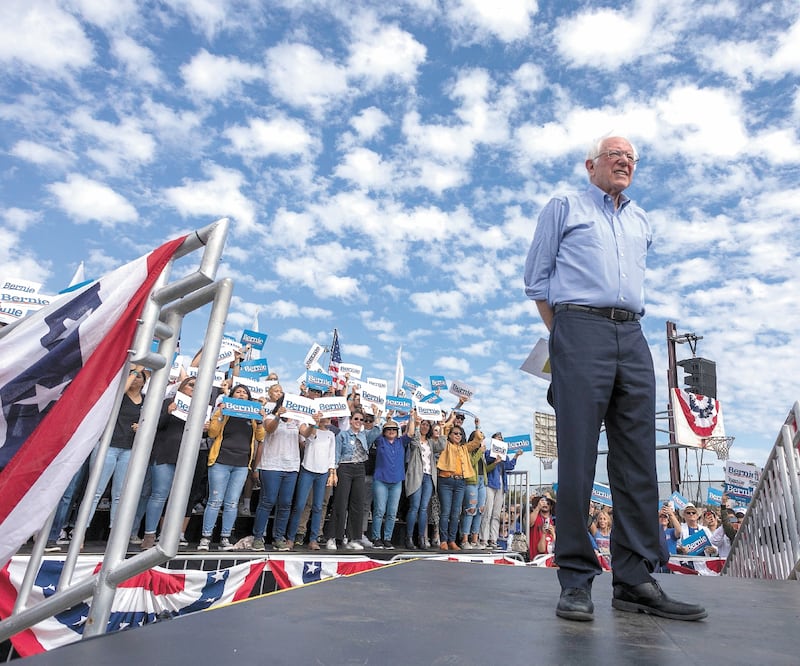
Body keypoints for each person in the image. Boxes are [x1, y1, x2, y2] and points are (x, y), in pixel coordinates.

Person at [524, 134, 706, 622]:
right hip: (579, 327)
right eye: (614, 155)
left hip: (633, 334)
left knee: (638, 462)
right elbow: (536, 281)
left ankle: (634, 580)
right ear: (591, 165)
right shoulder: (564, 206)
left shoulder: (642, 220)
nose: (624, 161)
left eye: (631, 157)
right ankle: (576, 580)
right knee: (579, 458)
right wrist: (563, 336)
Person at [199, 384, 266, 551]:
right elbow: (213, 433)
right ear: (232, 395)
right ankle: (206, 538)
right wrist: (220, 414)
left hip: (241, 465)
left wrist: (259, 421)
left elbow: (261, 436)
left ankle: (225, 538)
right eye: (238, 391)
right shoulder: (223, 411)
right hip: (220, 462)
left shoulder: (252, 416)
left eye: (245, 392)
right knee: (215, 501)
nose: (241, 394)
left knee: (232, 503)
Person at [285, 411, 337, 552]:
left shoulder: (331, 435)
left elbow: (331, 455)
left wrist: (332, 472)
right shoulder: (310, 428)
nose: (324, 419)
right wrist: (314, 423)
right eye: (323, 417)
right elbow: (309, 437)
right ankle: (290, 537)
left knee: (318, 506)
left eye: (327, 417)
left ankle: (313, 539)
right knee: (300, 505)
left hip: (322, 472)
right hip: (307, 470)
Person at [330, 408, 381, 550]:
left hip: (359, 469)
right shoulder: (343, 435)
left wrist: (377, 416)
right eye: (356, 419)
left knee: (357, 504)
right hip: (345, 467)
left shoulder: (365, 435)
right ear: (351, 420)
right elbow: (336, 453)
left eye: (361, 420)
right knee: (341, 502)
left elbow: (377, 431)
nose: (359, 422)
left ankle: (353, 538)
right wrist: (333, 471)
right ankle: (334, 537)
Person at [370, 418, 414, 549]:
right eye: (388, 429)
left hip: (396, 481)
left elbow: (411, 433)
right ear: (384, 431)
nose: (391, 431)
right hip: (381, 480)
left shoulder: (401, 442)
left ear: (397, 431)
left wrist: (412, 417)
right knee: (379, 510)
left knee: (392, 512)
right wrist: (378, 419)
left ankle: (387, 538)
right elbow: (373, 433)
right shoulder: (380, 440)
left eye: (394, 429)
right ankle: (376, 538)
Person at [405, 415, 446, 549]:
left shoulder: (430, 442)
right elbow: (414, 441)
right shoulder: (415, 440)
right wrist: (416, 424)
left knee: (423, 509)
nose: (425, 427)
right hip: (417, 475)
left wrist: (442, 428)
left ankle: (421, 538)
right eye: (423, 424)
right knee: (414, 507)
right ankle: (409, 538)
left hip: (429, 476)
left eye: (427, 425)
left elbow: (442, 445)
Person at [436, 423, 474, 550]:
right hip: (446, 480)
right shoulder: (446, 445)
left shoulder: (464, 448)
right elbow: (444, 431)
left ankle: (452, 541)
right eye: (455, 433)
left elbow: (477, 440)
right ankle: (443, 541)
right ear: (450, 435)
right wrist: (451, 418)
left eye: (460, 434)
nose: (458, 435)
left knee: (455, 513)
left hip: (460, 482)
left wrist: (477, 426)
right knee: (445, 512)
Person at [480, 433, 521, 549]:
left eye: (501, 439)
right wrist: (496, 457)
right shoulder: (488, 452)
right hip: (490, 484)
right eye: (498, 438)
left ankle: (493, 539)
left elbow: (509, 466)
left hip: (501, 486)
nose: (500, 440)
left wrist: (516, 456)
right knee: (487, 512)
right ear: (493, 440)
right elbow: (488, 459)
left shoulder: (505, 456)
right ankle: (484, 538)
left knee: (496, 514)